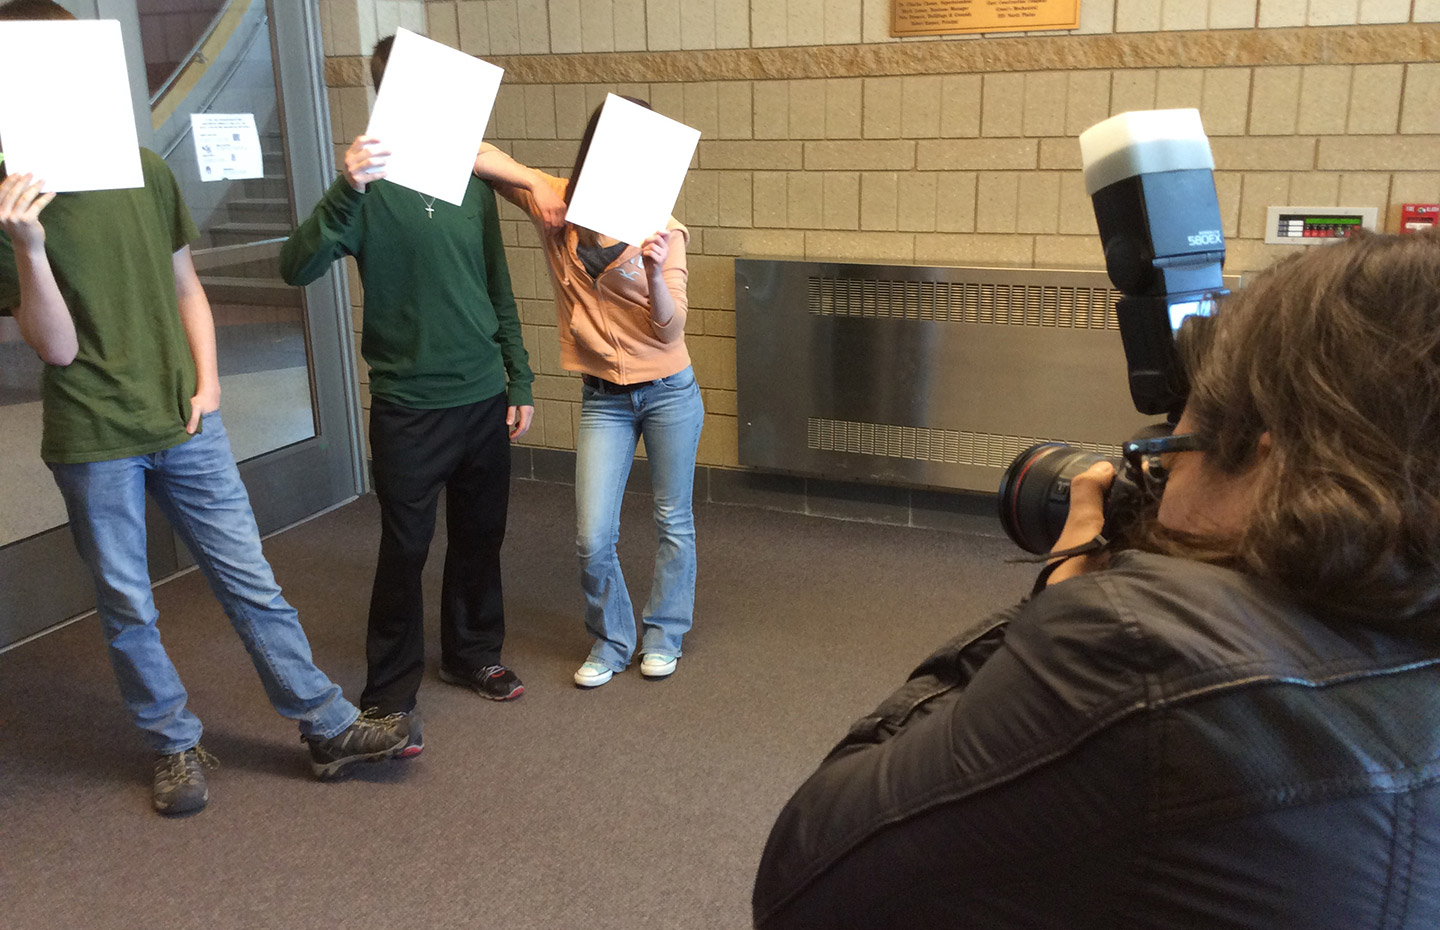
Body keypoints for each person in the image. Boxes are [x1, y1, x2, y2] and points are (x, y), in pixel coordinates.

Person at [752, 229, 1440, 929]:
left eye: (1172, 451)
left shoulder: (1136, 647)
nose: (1157, 483)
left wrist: (1059, 599)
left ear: (1266, 462)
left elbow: (807, 874)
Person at [0, 0, 408, 816]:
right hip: (92, 434)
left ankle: (325, 726)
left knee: (249, 579)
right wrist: (28, 246)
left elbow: (188, 286)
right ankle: (174, 745)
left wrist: (211, 380)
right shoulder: (11, 203)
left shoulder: (144, 170)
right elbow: (55, 348)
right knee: (127, 602)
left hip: (188, 420)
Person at [280, 36, 538, 751]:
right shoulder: (366, 188)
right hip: (409, 407)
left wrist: (519, 375)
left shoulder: (471, 180)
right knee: (406, 547)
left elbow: (498, 286)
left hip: (483, 394)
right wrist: (347, 187)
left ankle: (472, 653)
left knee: (482, 536)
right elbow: (294, 266)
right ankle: (389, 692)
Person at [473, 99, 704, 689]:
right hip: (604, 397)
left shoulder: (664, 226)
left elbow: (670, 329)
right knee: (592, 534)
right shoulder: (561, 203)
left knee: (673, 518)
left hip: (669, 390)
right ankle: (612, 637)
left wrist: (654, 271)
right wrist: (532, 183)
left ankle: (664, 633)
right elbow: (475, 154)